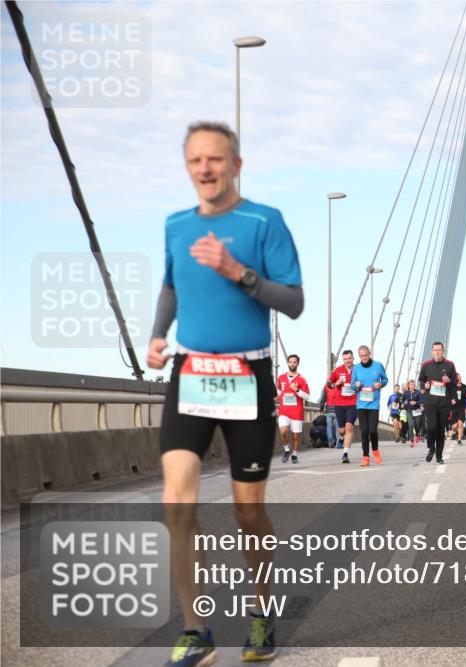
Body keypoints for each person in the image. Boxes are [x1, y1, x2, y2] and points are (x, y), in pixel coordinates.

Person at [148, 121, 304, 665]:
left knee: (247, 512)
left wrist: (240, 273)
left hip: (248, 377)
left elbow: (294, 302)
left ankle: (261, 614)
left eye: (216, 159)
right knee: (176, 503)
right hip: (190, 371)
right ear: (187, 167)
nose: (205, 169)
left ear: (236, 165)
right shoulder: (176, 225)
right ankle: (196, 629)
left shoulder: (265, 222)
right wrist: (156, 335)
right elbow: (171, 285)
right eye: (195, 160)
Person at [418, 342, 458, 464]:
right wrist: (424, 385)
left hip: (444, 403)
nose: (437, 352)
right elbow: (421, 380)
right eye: (435, 350)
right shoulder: (426, 365)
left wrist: (450, 380)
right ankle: (431, 448)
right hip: (430, 403)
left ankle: (439, 456)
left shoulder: (450, 365)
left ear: (443, 351)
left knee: (440, 430)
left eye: (439, 350)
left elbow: (455, 383)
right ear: (432, 351)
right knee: (431, 427)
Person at [352, 345, 389, 466]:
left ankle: (376, 450)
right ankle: (365, 457)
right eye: (361, 356)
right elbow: (352, 386)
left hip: (373, 404)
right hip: (361, 404)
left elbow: (385, 380)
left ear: (370, 353)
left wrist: (380, 384)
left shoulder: (378, 365)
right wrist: (356, 385)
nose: (364, 357)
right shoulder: (356, 368)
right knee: (364, 431)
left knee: (372, 431)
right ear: (359, 356)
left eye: (365, 355)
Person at [276, 354, 310, 464]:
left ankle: (295, 455)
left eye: (294, 362)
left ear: (297, 364)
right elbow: (278, 391)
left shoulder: (301, 379)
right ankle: (286, 449)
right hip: (284, 411)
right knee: (283, 431)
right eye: (290, 362)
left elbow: (307, 396)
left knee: (296, 436)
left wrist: (297, 390)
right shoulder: (281, 377)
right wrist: (278, 395)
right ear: (288, 363)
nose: (292, 364)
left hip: (296, 412)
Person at [327, 350, 358, 464]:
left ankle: (345, 454)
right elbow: (329, 384)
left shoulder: (358, 369)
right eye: (345, 359)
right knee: (341, 430)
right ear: (343, 360)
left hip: (353, 403)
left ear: (353, 358)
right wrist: (336, 384)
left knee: (349, 427)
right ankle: (341, 437)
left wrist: (360, 385)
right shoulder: (338, 370)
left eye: (349, 358)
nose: (348, 361)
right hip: (339, 404)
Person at [317, 384, 341, 449]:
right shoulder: (339, 385)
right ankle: (338, 441)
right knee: (338, 426)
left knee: (329, 426)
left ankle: (330, 441)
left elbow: (324, 398)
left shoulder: (326, 386)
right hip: (337, 409)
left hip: (329, 409)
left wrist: (321, 408)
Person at [402, 379, 424, 447]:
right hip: (409, 410)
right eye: (411, 384)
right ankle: (412, 441)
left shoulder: (418, 392)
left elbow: (422, 400)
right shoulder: (406, 393)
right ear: (408, 385)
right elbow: (402, 400)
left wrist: (416, 402)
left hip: (417, 410)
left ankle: (417, 435)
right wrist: (402, 404)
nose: (413, 385)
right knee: (410, 425)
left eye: (414, 384)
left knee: (417, 425)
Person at [452, 373, 466, 445]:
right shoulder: (452, 387)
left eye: (460, 377)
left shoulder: (465, 386)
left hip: (461, 408)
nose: (459, 379)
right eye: (457, 378)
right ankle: (454, 432)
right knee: (454, 426)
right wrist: (451, 401)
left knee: (460, 424)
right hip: (453, 408)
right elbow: (448, 396)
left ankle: (459, 440)